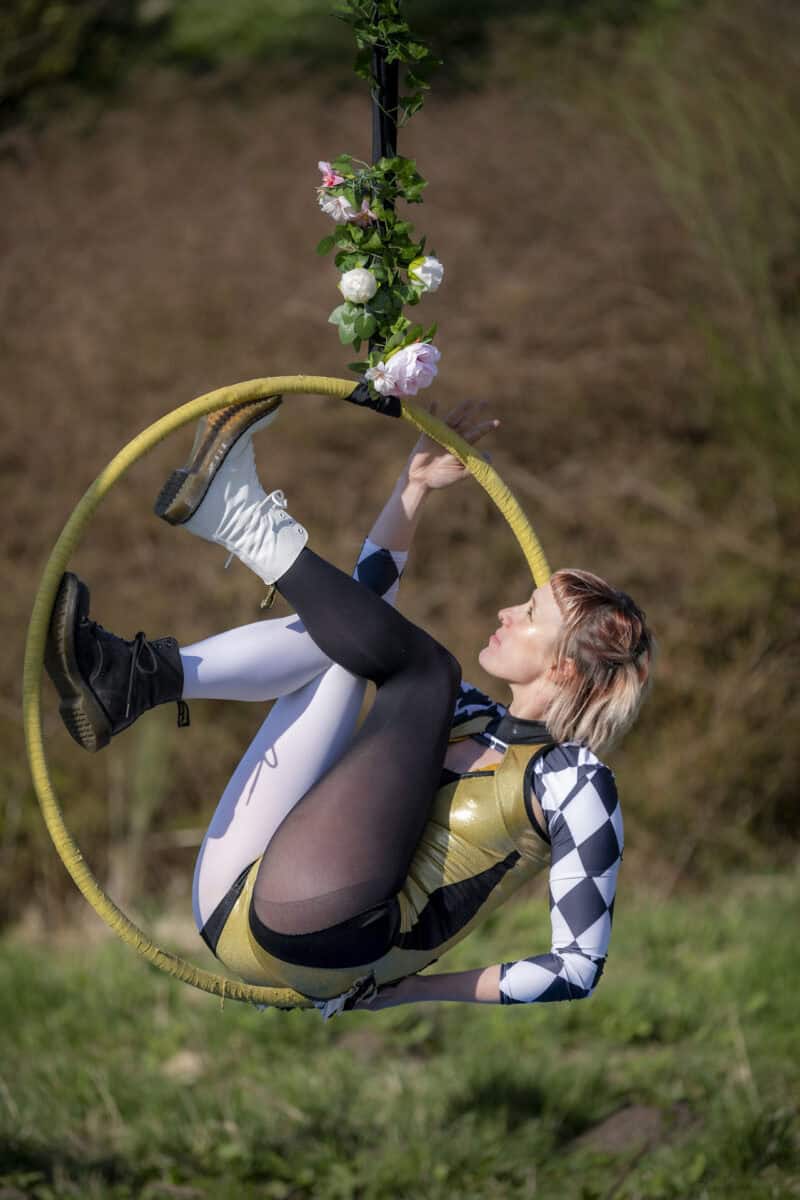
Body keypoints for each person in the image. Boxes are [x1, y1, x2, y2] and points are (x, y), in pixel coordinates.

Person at [45, 396, 653, 1016]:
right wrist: (410, 491)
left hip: (324, 937)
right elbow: (357, 620)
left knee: (426, 669)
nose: (505, 612)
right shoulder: (466, 713)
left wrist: (412, 992)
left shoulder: (573, 781)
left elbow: (576, 966)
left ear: (563, 668)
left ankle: (239, 519)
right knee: (353, 644)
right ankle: (130, 680)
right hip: (235, 897)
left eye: (528, 615)